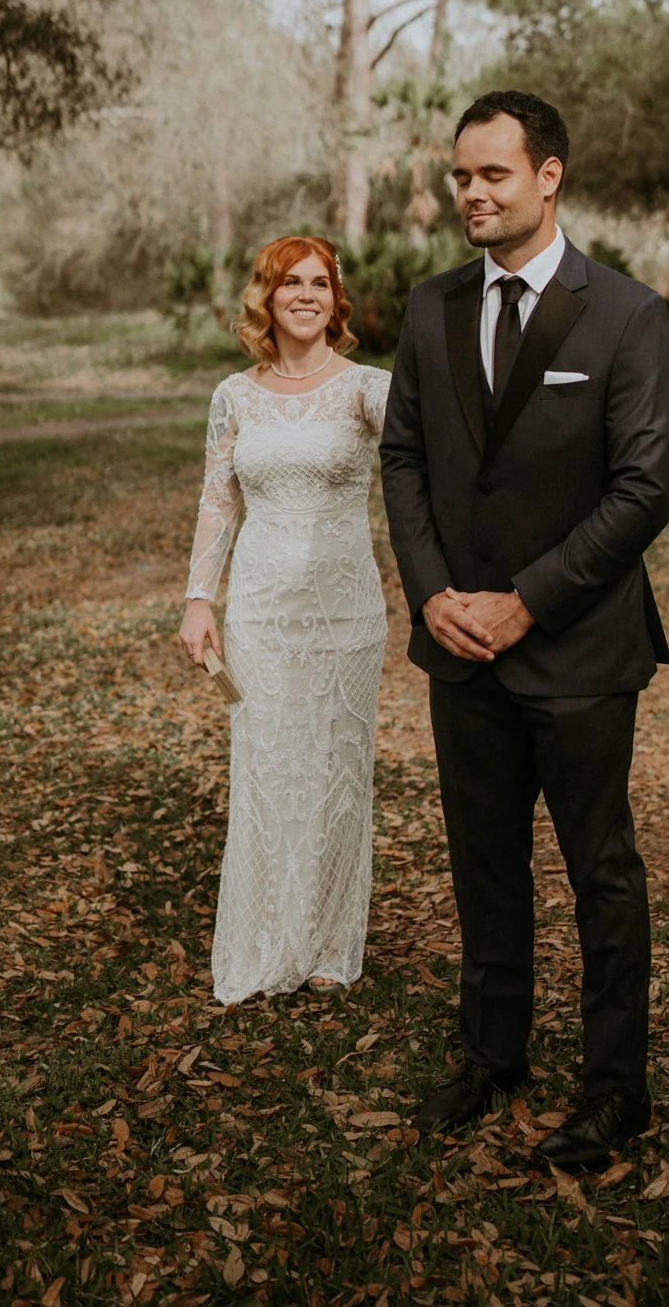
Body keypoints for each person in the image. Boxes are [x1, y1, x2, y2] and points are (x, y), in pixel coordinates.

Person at [380, 90, 669, 1173]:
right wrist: (431, 594)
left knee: (602, 872)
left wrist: (528, 599)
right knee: (484, 864)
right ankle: (491, 1055)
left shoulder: (625, 314)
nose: (472, 192)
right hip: (459, 645)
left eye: (493, 174)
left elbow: (643, 490)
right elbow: (404, 457)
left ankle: (615, 1091)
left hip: (580, 648)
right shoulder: (431, 307)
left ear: (548, 177)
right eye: (461, 175)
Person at [180, 235, 391, 1004]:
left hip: (344, 612)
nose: (305, 295)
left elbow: (431, 464)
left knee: (336, 770)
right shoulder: (235, 396)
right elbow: (218, 501)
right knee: (268, 768)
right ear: (265, 299)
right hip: (262, 611)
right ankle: (267, 937)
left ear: (337, 301)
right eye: (289, 283)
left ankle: (330, 942)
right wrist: (198, 599)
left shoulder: (369, 389)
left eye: (319, 283)